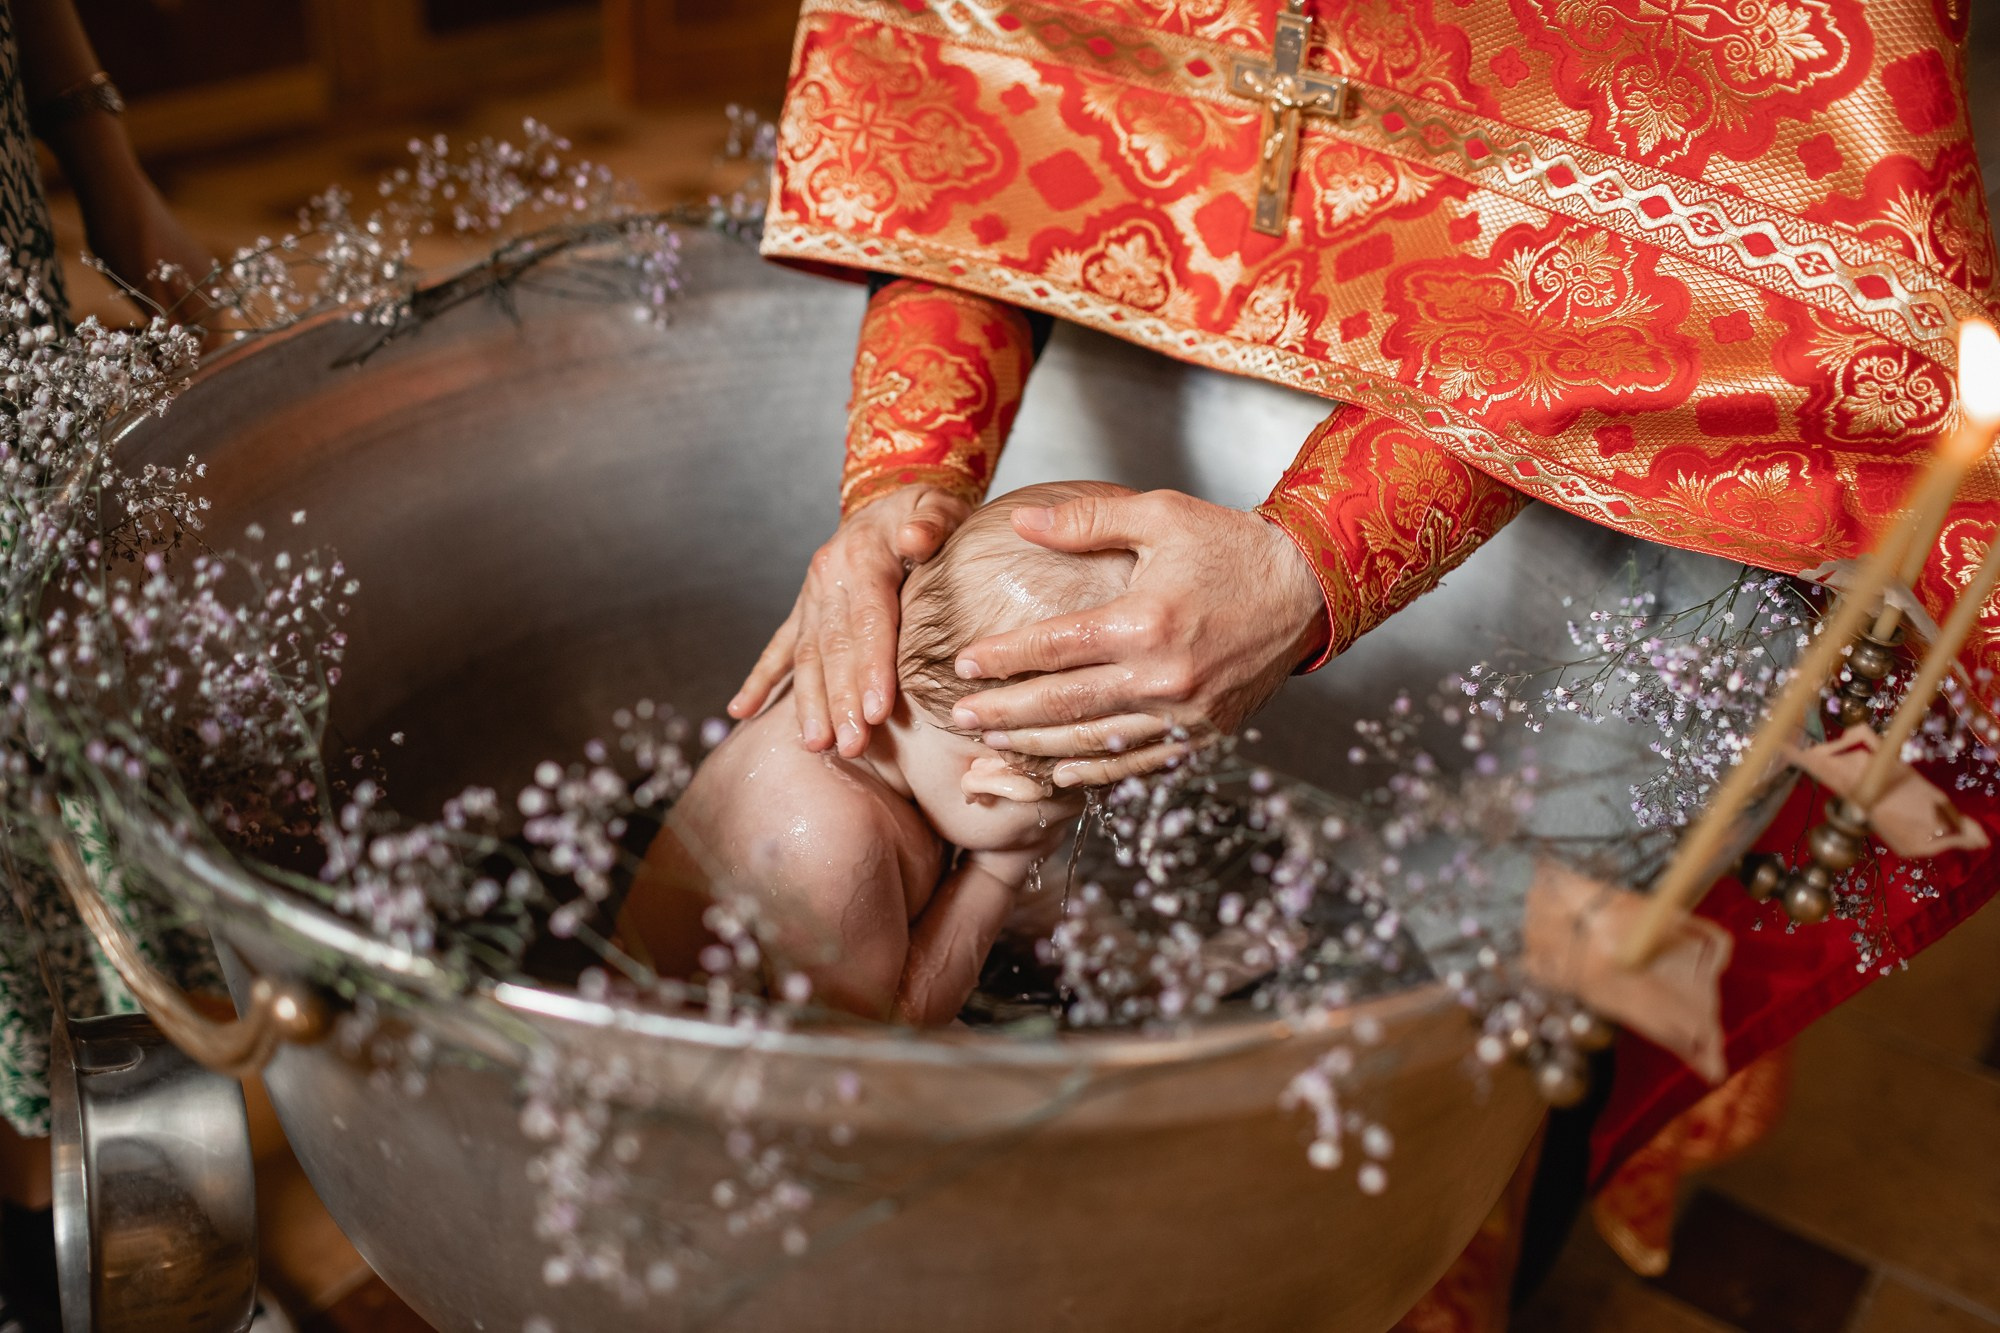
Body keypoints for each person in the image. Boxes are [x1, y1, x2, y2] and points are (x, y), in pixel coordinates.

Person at [737, 1, 2000, 1323]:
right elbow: (974, 103)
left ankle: (1463, 1198)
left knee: (1491, 1016)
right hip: (1146, 362)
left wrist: (1319, 556)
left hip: (1605, 455)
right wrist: (905, 478)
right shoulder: (831, 835)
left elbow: (1739, 247)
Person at [624, 482, 1131, 1024]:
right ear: (993, 782)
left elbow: (999, 824)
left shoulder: (866, 677)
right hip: (682, 1067)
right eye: (1053, 821)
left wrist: (1015, 845)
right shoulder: (829, 841)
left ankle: (1131, 967)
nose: (1050, 840)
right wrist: (997, 875)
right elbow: (872, 1048)